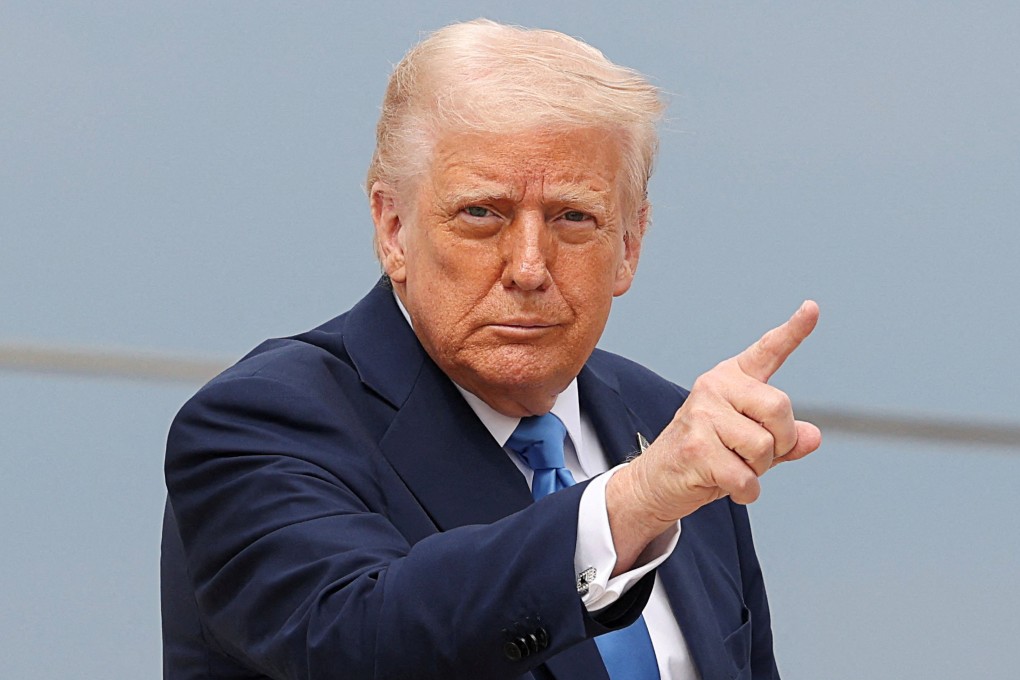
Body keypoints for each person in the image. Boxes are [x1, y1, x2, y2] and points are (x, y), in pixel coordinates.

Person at [161, 18, 821, 680]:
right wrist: (632, 503)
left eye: (573, 217)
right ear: (393, 229)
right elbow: (360, 638)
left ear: (629, 245)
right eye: (482, 214)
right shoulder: (259, 422)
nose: (529, 266)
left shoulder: (669, 426)